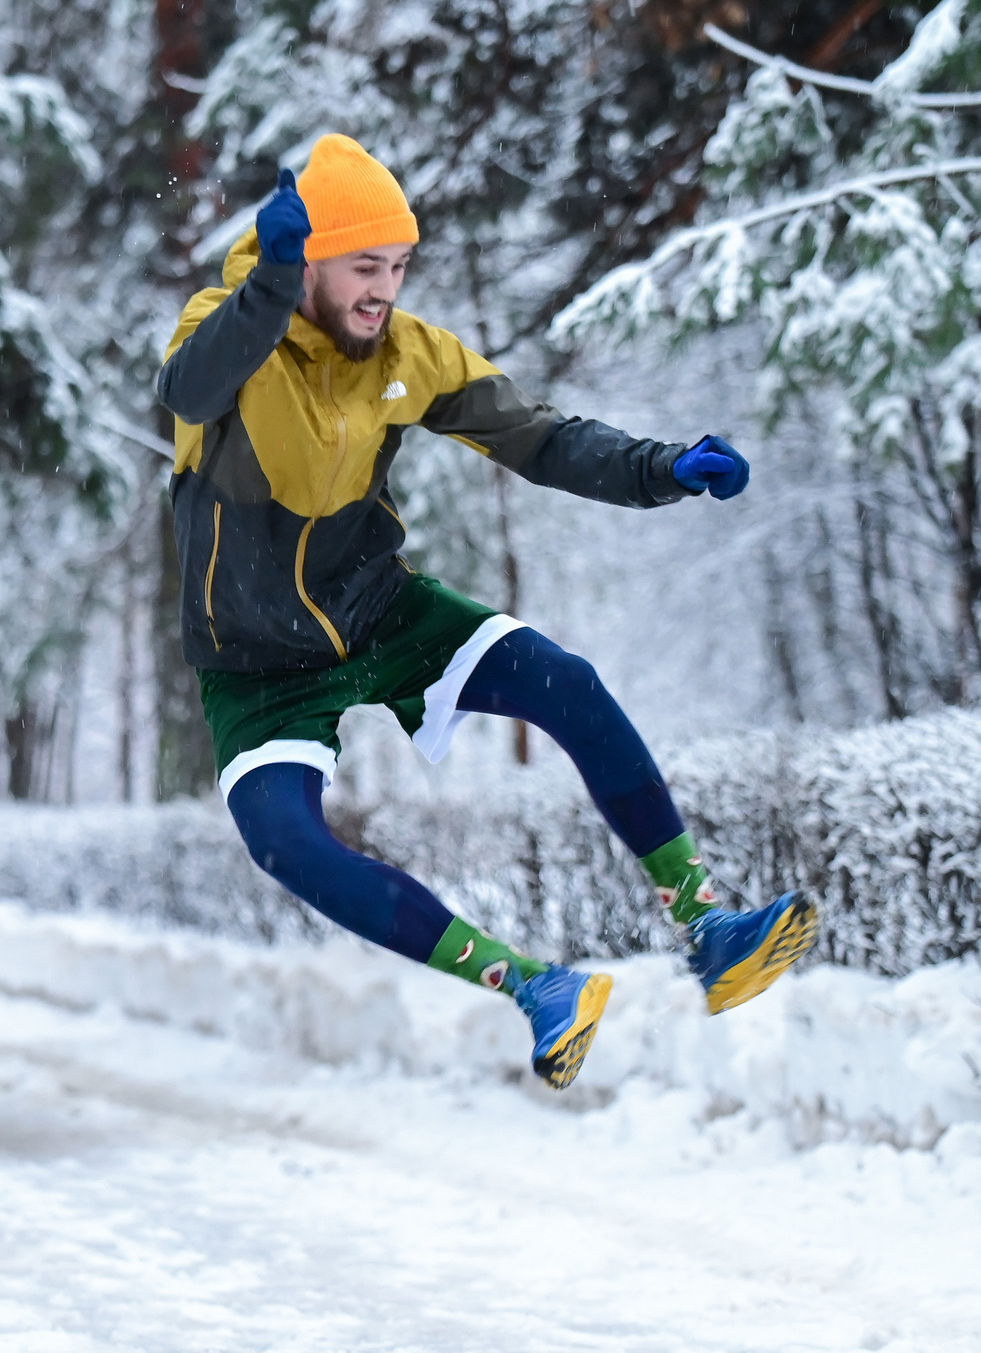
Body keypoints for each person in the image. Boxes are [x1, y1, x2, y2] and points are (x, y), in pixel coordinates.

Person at [157, 135, 817, 1089]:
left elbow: (536, 438)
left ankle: (708, 924)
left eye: (396, 267)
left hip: (377, 610)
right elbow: (185, 388)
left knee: (568, 684)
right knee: (287, 845)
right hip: (254, 666)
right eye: (362, 267)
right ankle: (533, 988)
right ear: (306, 263)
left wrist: (658, 468)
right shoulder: (224, 328)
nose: (383, 291)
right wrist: (266, 293)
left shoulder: (406, 353)